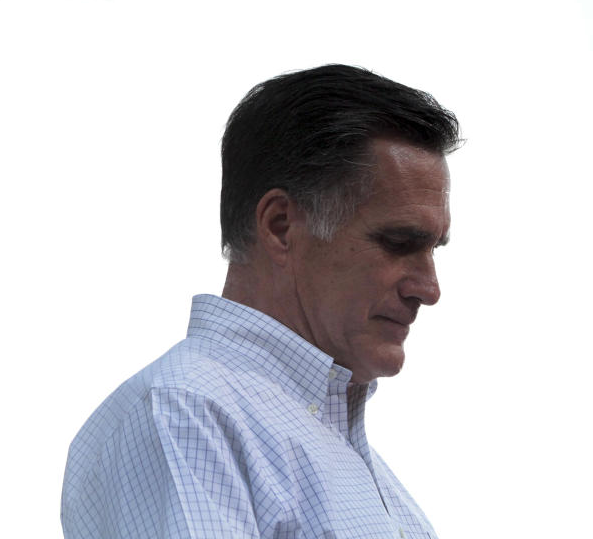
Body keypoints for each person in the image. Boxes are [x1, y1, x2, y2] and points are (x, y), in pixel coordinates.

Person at [61, 64, 460, 539]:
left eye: (433, 249)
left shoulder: (355, 467)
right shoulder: (188, 412)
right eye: (398, 242)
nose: (429, 289)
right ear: (279, 226)